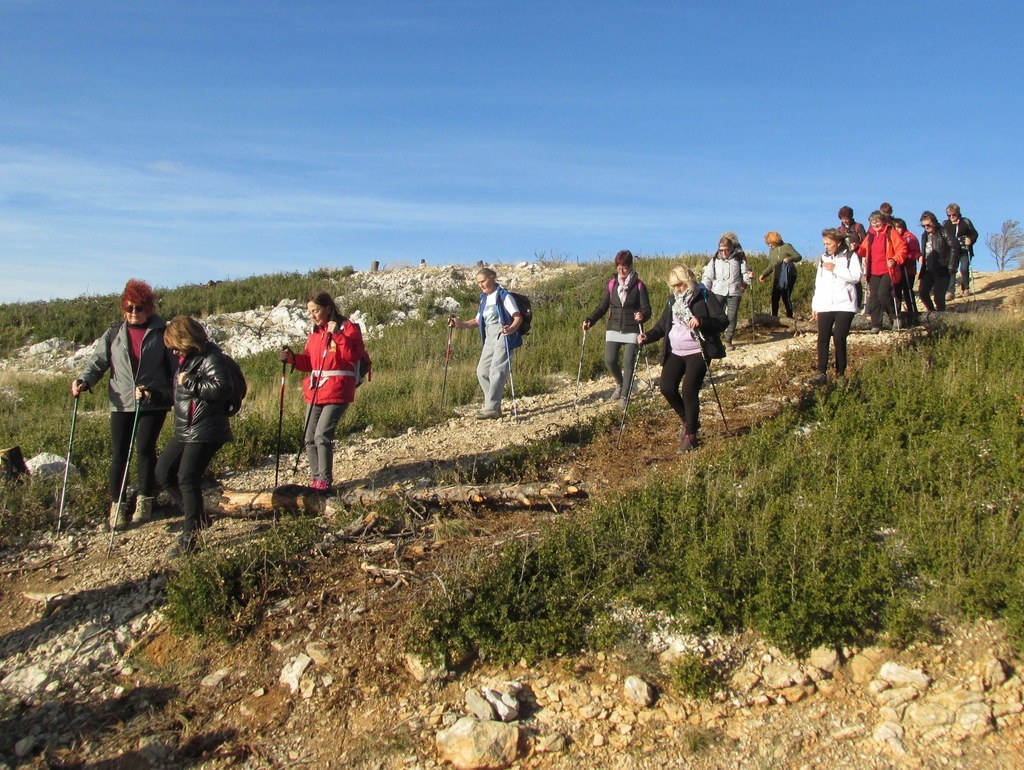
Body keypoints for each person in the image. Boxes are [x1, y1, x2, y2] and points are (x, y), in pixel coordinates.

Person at [71, 279, 174, 531]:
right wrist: (83, 380)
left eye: (139, 307)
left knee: (144, 449)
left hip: (152, 401)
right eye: (129, 308)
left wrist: (163, 394)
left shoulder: (163, 332)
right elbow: (98, 362)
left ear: (149, 308)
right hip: (121, 400)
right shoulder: (114, 332)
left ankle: (144, 500)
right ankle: (117, 504)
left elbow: (175, 370)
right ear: (123, 308)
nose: (134, 313)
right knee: (119, 453)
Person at [143, 316, 234, 556]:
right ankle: (198, 517)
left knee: (186, 477)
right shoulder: (187, 361)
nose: (172, 351)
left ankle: (190, 537)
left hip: (206, 429)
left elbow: (221, 388)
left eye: (174, 345)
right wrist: (153, 397)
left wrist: (190, 381)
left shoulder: (210, 357)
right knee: (163, 472)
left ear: (186, 339)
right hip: (187, 428)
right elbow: (180, 398)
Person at [280, 291, 366, 490]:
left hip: (338, 389)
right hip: (316, 390)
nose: (313, 315)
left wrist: (337, 335)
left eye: (316, 311)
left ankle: (324, 480)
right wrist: (292, 358)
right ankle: (316, 477)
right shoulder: (315, 333)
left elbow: (353, 356)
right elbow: (310, 362)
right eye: (310, 312)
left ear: (328, 308)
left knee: (321, 435)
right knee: (309, 437)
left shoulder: (348, 328)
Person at [639, 265, 728, 453]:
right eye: (674, 286)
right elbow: (662, 326)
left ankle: (691, 435)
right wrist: (647, 337)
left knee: (689, 391)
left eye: (680, 284)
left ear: (687, 280)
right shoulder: (673, 301)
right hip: (675, 351)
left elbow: (722, 320)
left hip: (698, 350)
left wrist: (701, 321)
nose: (677, 289)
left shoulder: (704, 295)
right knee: (666, 388)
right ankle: (689, 421)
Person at [448, 268, 523, 419]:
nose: (481, 285)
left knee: (497, 369)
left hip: (503, 333)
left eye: (483, 281)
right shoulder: (483, 299)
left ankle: (491, 408)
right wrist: (459, 324)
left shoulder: (504, 296)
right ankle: (493, 406)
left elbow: (517, 317)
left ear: (492, 278)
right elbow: (477, 321)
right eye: (478, 283)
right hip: (488, 335)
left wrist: (512, 328)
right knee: (482, 371)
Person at [583, 250, 652, 403]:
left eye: (624, 268)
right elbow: (602, 307)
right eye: (618, 268)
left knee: (628, 362)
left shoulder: (640, 286)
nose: (621, 271)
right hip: (613, 326)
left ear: (630, 266)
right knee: (610, 360)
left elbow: (647, 309)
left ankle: (625, 395)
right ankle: (620, 384)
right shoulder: (612, 284)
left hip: (632, 328)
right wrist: (590, 320)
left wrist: (642, 315)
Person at [808, 230, 862, 386]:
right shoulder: (822, 259)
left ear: (838, 242)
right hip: (825, 304)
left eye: (829, 244)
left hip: (845, 304)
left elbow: (856, 277)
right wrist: (815, 304)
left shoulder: (851, 256)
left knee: (839, 337)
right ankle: (821, 372)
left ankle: (840, 373)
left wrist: (835, 269)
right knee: (822, 337)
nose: (826, 247)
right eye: (824, 244)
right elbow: (819, 283)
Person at [856, 211, 908, 333]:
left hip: (888, 270)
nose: (875, 224)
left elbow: (902, 248)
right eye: (872, 222)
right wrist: (857, 248)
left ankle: (895, 317)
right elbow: (863, 251)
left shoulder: (891, 233)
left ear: (883, 221)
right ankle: (876, 324)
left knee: (883, 294)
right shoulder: (870, 235)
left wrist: (895, 260)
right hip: (873, 270)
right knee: (874, 297)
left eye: (877, 221)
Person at [701, 236, 751, 349]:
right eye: (721, 249)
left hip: (735, 291)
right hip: (718, 291)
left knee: (732, 317)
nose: (724, 252)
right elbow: (707, 275)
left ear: (731, 248)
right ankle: (716, 339)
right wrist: (705, 289)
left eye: (726, 249)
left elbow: (745, 272)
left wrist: (748, 279)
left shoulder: (739, 259)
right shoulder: (714, 259)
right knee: (716, 316)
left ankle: (728, 340)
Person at [918, 210, 959, 314]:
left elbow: (954, 247)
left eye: (928, 224)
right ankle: (932, 313)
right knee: (922, 293)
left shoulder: (943, 231)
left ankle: (941, 316)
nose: (926, 227)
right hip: (928, 269)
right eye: (923, 226)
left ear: (934, 222)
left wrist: (951, 267)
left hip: (942, 269)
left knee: (938, 296)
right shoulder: (924, 235)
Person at [759, 232, 802, 318]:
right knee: (774, 297)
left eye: (770, 243)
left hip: (789, 275)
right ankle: (774, 318)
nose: (769, 246)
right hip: (778, 275)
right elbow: (771, 265)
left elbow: (798, 256)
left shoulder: (786, 246)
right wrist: (763, 274)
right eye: (768, 244)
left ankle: (790, 317)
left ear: (775, 241)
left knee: (785, 296)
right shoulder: (771, 251)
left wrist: (789, 259)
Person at [943, 203, 979, 299]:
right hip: (951, 251)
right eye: (949, 215)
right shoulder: (945, 224)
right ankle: (950, 291)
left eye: (953, 214)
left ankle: (966, 288)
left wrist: (970, 240)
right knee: (951, 270)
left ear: (958, 213)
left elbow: (974, 233)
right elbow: (942, 237)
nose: (951, 217)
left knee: (964, 268)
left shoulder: (965, 222)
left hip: (964, 250)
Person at [892, 218, 922, 325]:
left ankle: (913, 315)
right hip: (897, 270)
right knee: (896, 292)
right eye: (895, 228)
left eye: (899, 227)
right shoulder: (893, 238)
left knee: (908, 292)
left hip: (907, 269)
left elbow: (916, 253)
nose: (898, 230)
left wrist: (905, 257)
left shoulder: (910, 237)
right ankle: (897, 316)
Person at [838, 206, 867, 313]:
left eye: (846, 218)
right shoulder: (839, 230)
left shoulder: (858, 227)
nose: (844, 220)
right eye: (842, 218)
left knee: (856, 279)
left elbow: (866, 241)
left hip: (858, 256)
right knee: (846, 279)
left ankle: (858, 305)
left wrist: (857, 246)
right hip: (844, 258)